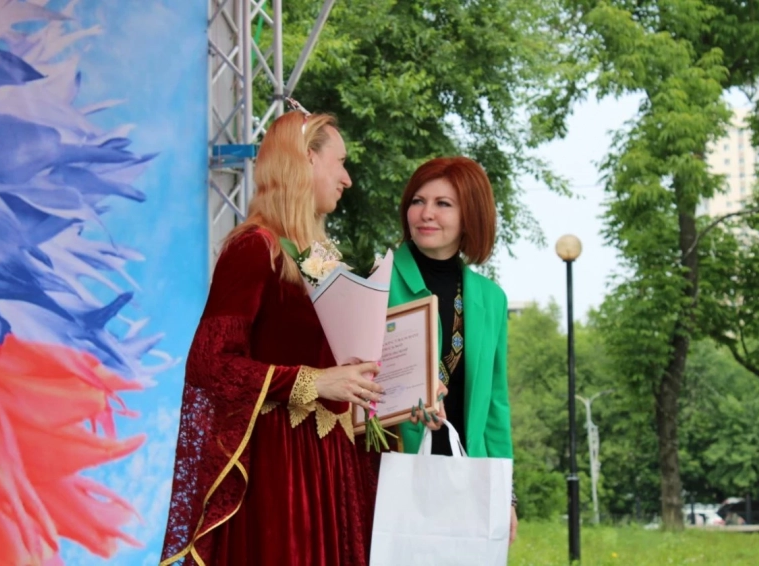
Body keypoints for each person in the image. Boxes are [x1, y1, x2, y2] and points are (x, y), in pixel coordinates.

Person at [159, 108, 385, 566]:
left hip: (327, 462)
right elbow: (209, 362)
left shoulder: (316, 258)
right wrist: (313, 381)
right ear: (306, 159)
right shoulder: (253, 247)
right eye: (340, 163)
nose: (347, 180)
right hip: (280, 466)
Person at [388, 156, 518, 544]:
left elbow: (495, 406)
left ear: (470, 216)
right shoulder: (376, 282)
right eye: (417, 201)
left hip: (468, 480)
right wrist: (404, 400)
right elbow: (355, 382)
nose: (425, 213)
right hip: (393, 475)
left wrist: (506, 493)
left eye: (443, 204)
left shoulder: (491, 298)